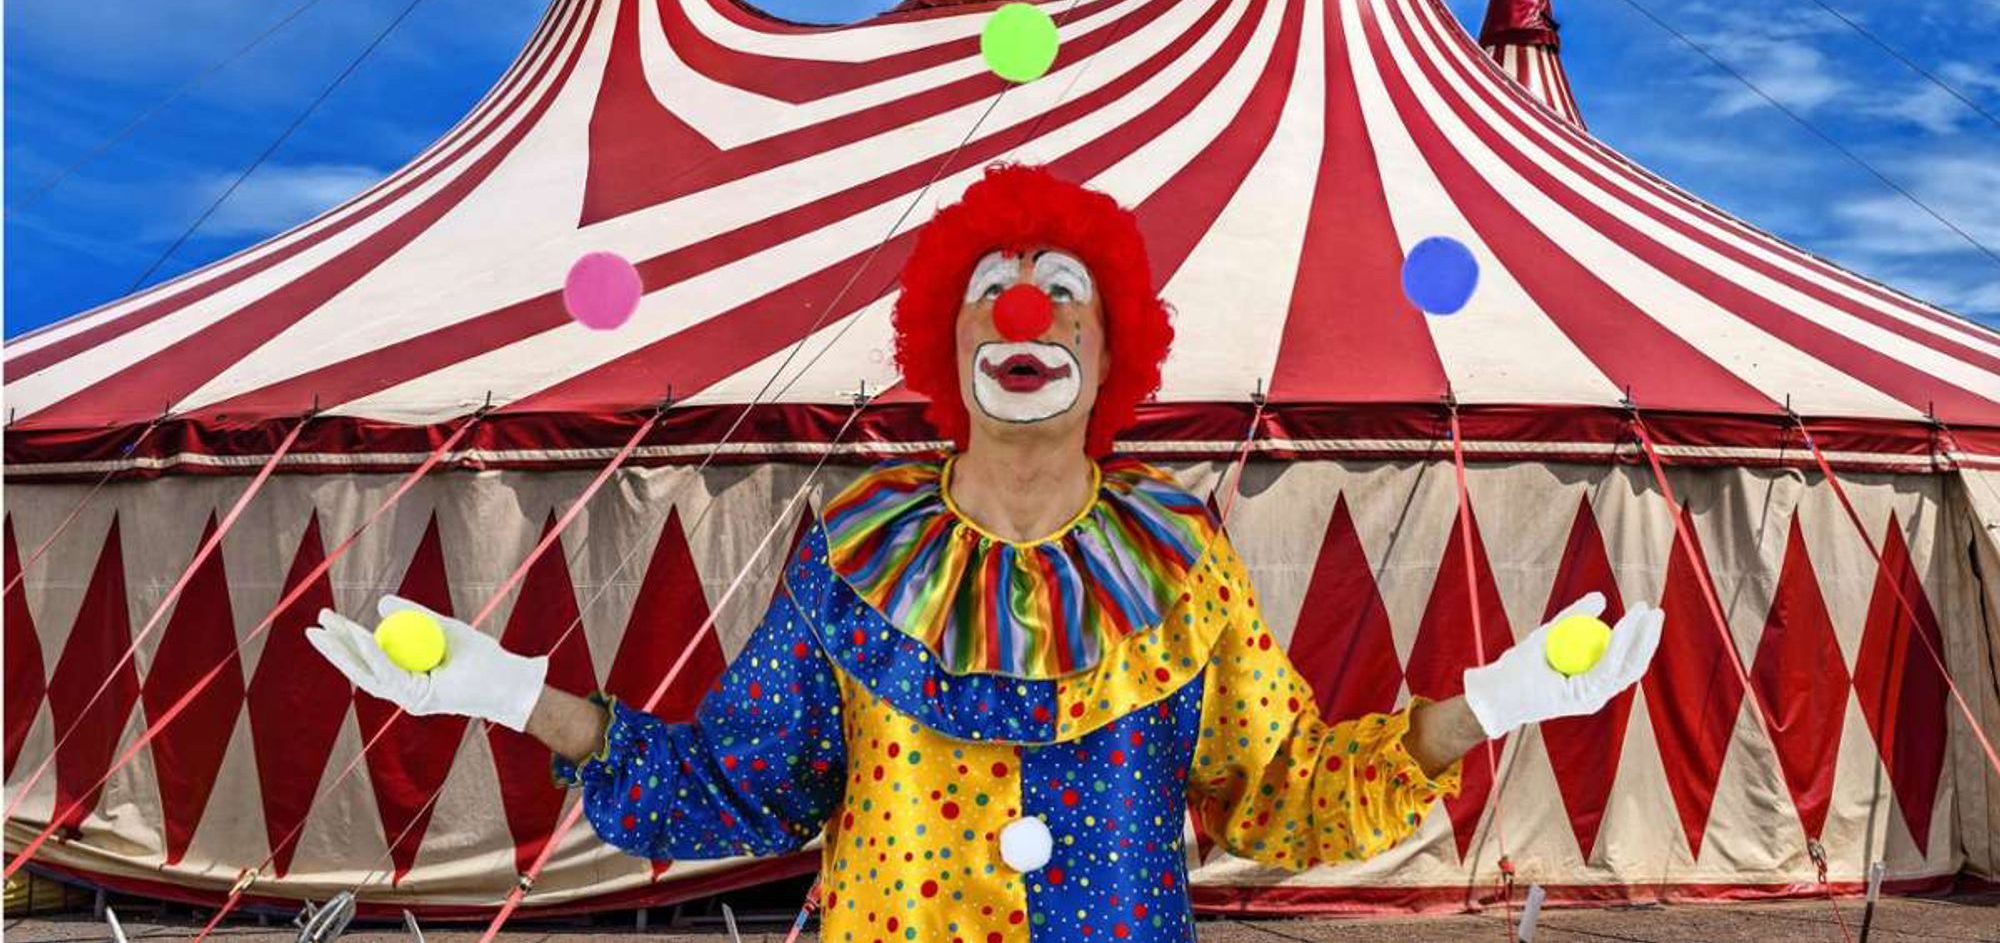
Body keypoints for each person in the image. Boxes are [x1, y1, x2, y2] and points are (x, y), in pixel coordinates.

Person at [310, 163, 1663, 941]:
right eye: (991, 294)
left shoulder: (1181, 564)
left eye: (1063, 294)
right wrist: (511, 694)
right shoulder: (854, 559)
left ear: (1107, 346)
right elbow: (737, 790)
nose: (1026, 310)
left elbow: (1282, 792)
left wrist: (1487, 702)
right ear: (945, 347)